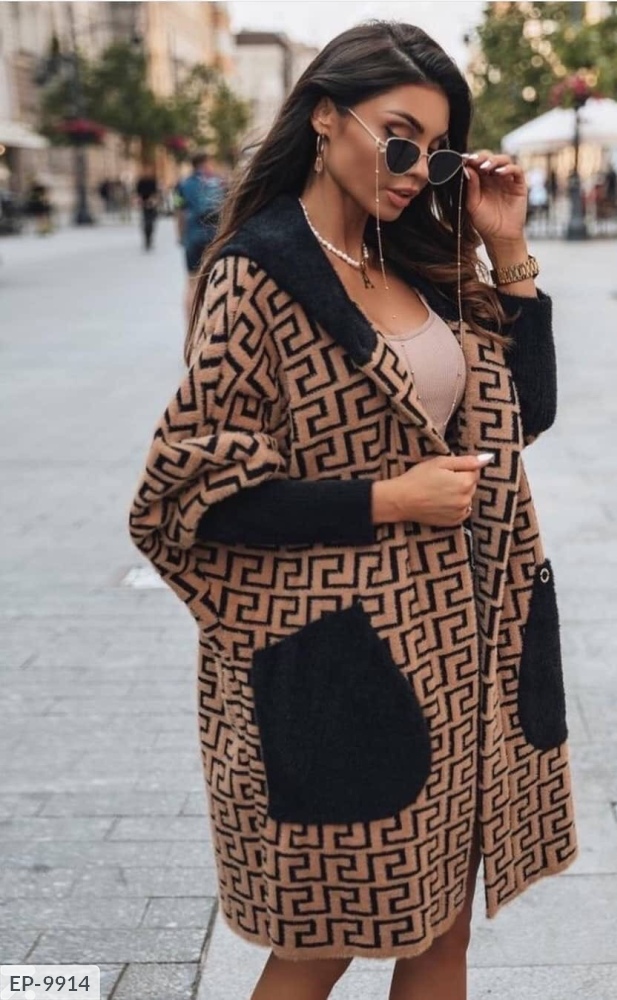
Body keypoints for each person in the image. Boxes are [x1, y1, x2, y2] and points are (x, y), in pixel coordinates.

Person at [129, 21, 578, 1000]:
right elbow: (184, 496)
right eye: (399, 137)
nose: (417, 170)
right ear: (326, 117)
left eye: (439, 150)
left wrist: (508, 248)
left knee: (442, 937)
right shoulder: (258, 273)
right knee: (319, 946)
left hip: (460, 654)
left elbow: (526, 413)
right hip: (345, 661)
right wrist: (389, 499)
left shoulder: (412, 255)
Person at [174, 152, 226, 322]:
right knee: (215, 281)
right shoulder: (218, 182)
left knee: (192, 283)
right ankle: (210, 323)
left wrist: (180, 235)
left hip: (193, 236)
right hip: (214, 236)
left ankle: (191, 326)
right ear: (205, 163)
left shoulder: (183, 184)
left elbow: (179, 211)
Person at [135, 166, 160, 251]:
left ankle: (150, 239)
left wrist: (153, 201)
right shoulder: (141, 182)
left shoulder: (153, 181)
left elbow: (156, 193)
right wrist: (140, 202)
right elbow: (138, 193)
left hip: (152, 204)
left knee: (151, 222)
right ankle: (147, 239)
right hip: (144, 204)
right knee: (146, 222)